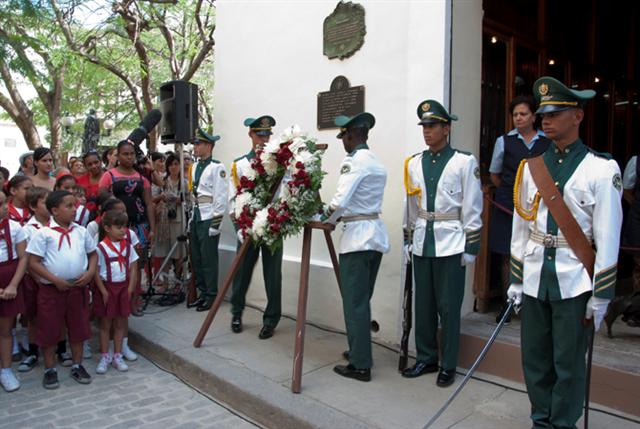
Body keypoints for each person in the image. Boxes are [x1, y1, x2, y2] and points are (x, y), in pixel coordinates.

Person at [509, 76, 623, 428]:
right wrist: (515, 280)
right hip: (534, 276)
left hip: (574, 280)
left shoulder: (601, 169)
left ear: (578, 117)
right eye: (544, 113)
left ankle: (562, 423)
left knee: (569, 362)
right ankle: (541, 419)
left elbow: (608, 236)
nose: (546, 119)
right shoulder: (531, 167)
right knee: (535, 359)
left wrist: (601, 295)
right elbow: (521, 229)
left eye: (557, 113)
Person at [401, 100, 482, 387]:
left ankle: (448, 364)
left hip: (451, 242)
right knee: (423, 305)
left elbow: (472, 206)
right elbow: (411, 204)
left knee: (448, 307)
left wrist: (472, 246)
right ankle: (426, 357)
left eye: (433, 126)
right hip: (423, 240)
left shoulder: (464, 162)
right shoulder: (414, 162)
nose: (427, 131)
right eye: (424, 126)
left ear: (446, 128)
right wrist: (408, 238)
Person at [320, 112, 390, 382]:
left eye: (343, 137)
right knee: (361, 301)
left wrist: (323, 218)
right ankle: (359, 350)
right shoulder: (375, 162)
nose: (343, 143)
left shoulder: (354, 162)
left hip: (357, 239)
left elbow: (339, 202)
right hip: (373, 235)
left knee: (354, 303)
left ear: (351, 135)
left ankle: (361, 365)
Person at [26, 190, 97, 389]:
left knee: (78, 328)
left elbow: (93, 255)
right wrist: (54, 279)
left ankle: (77, 364)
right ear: (54, 210)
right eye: (69, 206)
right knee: (49, 329)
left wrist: (90, 272)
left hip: (77, 288)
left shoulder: (81, 232)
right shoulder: (44, 234)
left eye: (75, 205)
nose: (74, 209)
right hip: (52, 290)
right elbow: (33, 262)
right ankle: (50, 369)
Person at [489, 96, 551, 322]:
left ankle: (534, 305)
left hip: (540, 206)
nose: (518, 118)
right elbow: (494, 174)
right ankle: (508, 305)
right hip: (507, 204)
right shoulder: (503, 141)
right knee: (507, 253)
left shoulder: (547, 142)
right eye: (515, 114)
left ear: (534, 116)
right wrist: (514, 193)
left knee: (535, 252)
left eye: (523, 114)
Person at [228, 116, 282, 338]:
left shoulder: (279, 162)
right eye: (260, 134)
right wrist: (239, 225)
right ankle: (236, 312)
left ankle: (271, 319)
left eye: (267, 135)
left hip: (272, 224)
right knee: (242, 271)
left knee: (273, 274)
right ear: (250, 135)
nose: (264, 139)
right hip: (248, 225)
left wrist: (278, 217)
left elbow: (282, 193)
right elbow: (233, 198)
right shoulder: (240, 164)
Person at [98, 140, 156, 315]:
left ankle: (134, 302)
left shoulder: (141, 178)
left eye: (132, 154)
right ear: (118, 155)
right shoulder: (109, 176)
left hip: (138, 226)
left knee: (136, 264)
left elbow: (149, 204)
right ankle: (115, 301)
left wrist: (152, 228)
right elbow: (101, 198)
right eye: (125, 153)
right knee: (116, 263)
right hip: (116, 228)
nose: (129, 157)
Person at [87, 196, 139, 362]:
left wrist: (130, 288)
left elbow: (134, 265)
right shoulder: (100, 244)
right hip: (107, 286)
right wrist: (102, 290)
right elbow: (96, 269)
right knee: (106, 321)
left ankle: (121, 350)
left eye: (124, 213)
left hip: (123, 286)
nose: (123, 229)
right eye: (118, 213)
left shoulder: (128, 241)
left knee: (121, 320)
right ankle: (106, 353)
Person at [187, 128, 227, 312]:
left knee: (208, 258)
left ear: (208, 145)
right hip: (196, 215)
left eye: (198, 143)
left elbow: (220, 197)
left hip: (209, 216)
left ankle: (211, 295)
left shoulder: (217, 167)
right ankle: (202, 292)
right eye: (195, 143)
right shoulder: (194, 166)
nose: (195, 147)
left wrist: (216, 224)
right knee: (196, 257)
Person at [18, 186, 50, 373]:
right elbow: (29, 259)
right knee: (34, 317)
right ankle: (33, 351)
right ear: (33, 206)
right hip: (35, 280)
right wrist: (39, 278)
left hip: (53, 279)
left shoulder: (57, 225)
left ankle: (61, 349)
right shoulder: (28, 229)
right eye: (45, 202)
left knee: (58, 316)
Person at [0, 190, 28, 392]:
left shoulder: (15, 227)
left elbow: (23, 258)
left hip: (10, 279)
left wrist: (13, 285)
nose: (3, 208)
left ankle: (6, 369)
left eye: (4, 203)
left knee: (5, 329)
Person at [76, 151, 104, 217]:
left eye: (96, 162)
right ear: (85, 166)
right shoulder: (79, 181)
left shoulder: (109, 178)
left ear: (101, 161)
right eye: (90, 164)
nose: (94, 166)